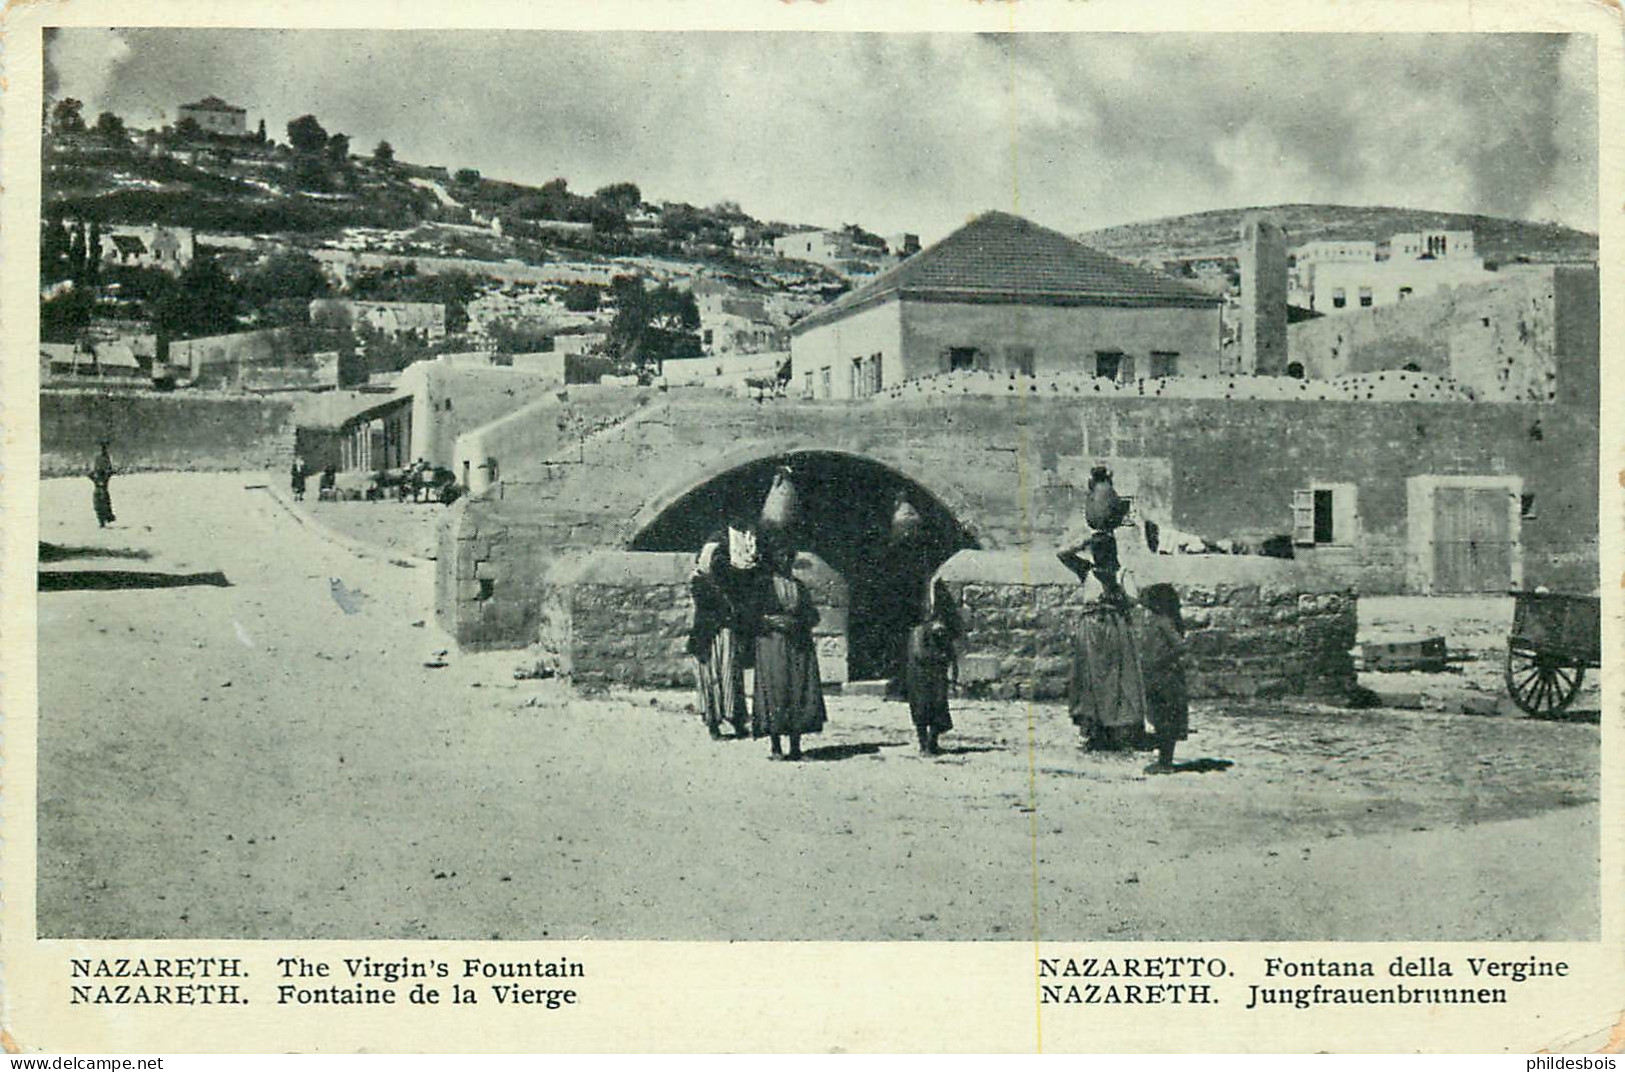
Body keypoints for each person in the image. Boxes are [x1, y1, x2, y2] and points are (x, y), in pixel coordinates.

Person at [1057, 532, 1148, 752]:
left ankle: (1120, 731)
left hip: (1114, 628)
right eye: (1095, 550)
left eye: (1102, 550)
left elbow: (1133, 600)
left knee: (1118, 679)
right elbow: (1062, 554)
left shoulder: (1122, 573)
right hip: (1090, 630)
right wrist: (1085, 540)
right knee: (1089, 679)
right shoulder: (1087, 571)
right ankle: (1093, 731)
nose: (1098, 555)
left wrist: (1114, 589)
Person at [750, 535, 826, 761]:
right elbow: (749, 614)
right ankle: (775, 746)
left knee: (797, 691)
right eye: (781, 556)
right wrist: (771, 621)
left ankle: (795, 747)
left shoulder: (799, 586)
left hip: (797, 644)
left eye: (788, 556)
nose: (785, 560)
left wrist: (798, 622)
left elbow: (813, 615)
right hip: (772, 644)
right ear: (773, 559)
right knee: (776, 691)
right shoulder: (763, 584)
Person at [686, 520, 759, 740]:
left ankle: (733, 721)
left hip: (716, 632)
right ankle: (716, 724)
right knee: (714, 677)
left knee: (728, 676)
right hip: (709, 634)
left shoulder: (717, 582)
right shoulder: (702, 584)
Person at [1138, 584, 1190, 774]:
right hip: (1155, 675)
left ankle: (1165, 762)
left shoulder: (1163, 622)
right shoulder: (1157, 621)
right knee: (1160, 719)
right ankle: (1163, 760)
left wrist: (1161, 660)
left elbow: (1180, 646)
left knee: (1166, 719)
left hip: (1165, 676)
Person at [904, 583, 958, 756]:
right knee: (921, 711)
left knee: (939, 709)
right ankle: (923, 745)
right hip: (920, 677)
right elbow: (919, 654)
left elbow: (950, 653)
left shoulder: (942, 633)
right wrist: (940, 658)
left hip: (936, 677)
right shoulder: (919, 632)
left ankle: (932, 743)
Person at [89, 441, 116, 528]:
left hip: (101, 481)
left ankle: (104, 518)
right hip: (101, 482)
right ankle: (105, 518)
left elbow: (108, 470)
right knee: (102, 500)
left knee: (101, 500)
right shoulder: (102, 458)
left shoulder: (103, 458)